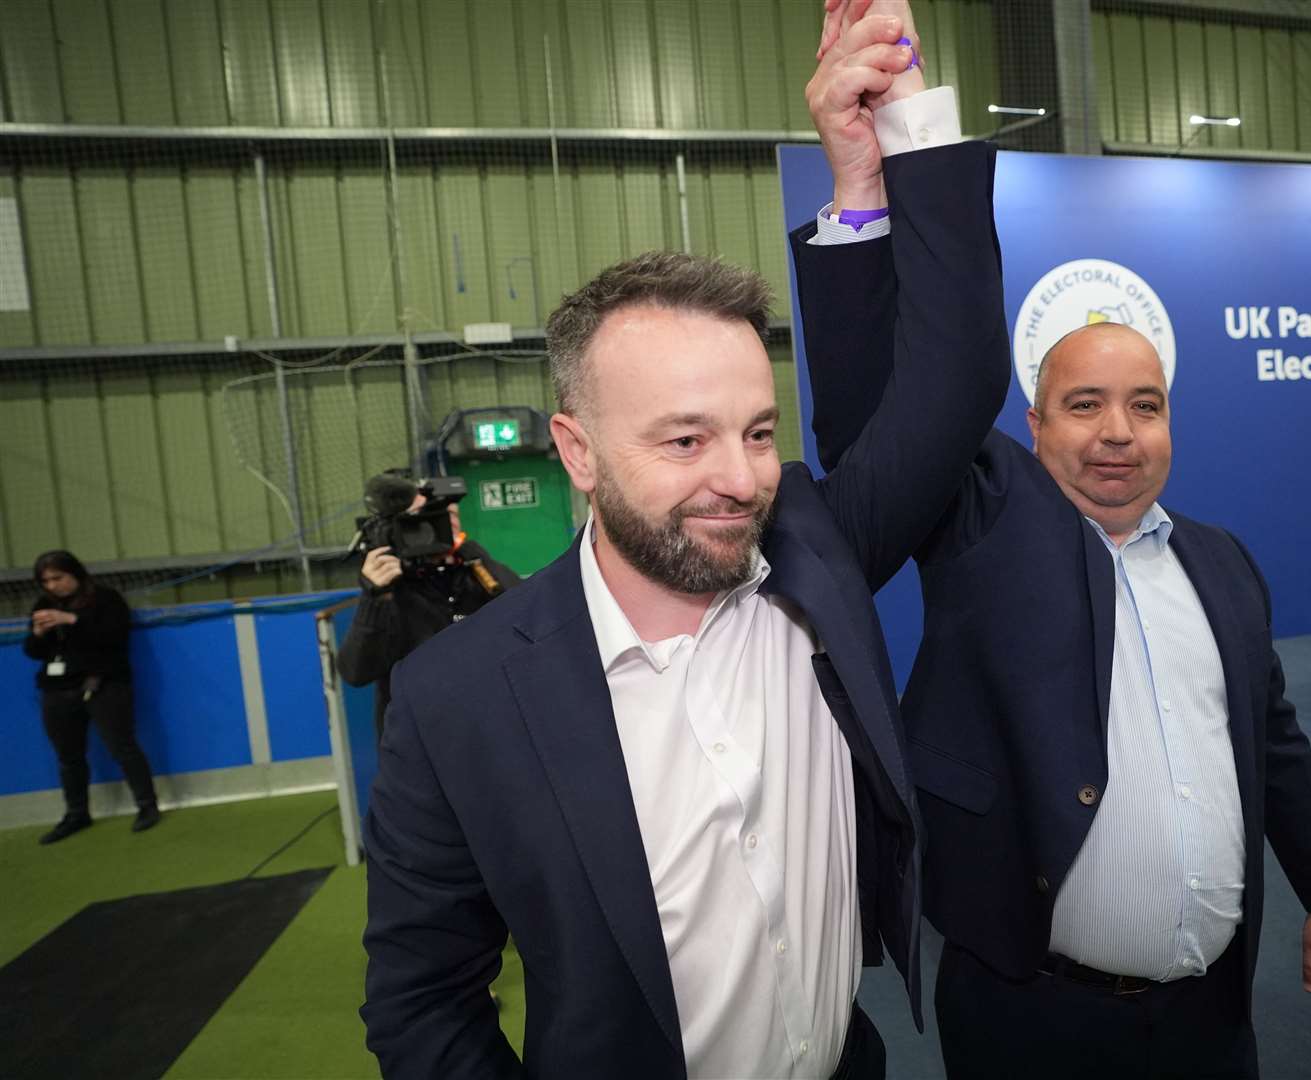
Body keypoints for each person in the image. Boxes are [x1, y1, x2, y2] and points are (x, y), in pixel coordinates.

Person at [357, 13, 1007, 1078]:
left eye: (758, 432)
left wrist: (871, 166)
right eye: (683, 440)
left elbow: (956, 377)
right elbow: (424, 1005)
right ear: (576, 450)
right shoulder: (457, 699)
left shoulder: (814, 559)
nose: (742, 479)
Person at [799, 21, 1311, 1077]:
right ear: (1034, 426)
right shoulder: (984, 524)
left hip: (1214, 1022)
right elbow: (885, 420)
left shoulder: (1222, 563)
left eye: (1144, 406)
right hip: (1034, 1021)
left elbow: (1273, 742)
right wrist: (873, 182)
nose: (1117, 432)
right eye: (1085, 406)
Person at [336, 482, 520, 737]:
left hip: (488, 732)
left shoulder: (478, 572)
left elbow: (528, 625)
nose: (444, 524)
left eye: (452, 515)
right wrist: (374, 598)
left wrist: (480, 562)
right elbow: (355, 672)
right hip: (419, 743)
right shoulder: (390, 591)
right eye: (426, 516)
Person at [23, 550, 160, 844]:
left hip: (104, 684)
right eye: (45, 581)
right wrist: (37, 633)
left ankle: (147, 806)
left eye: (58, 578)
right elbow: (33, 652)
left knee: (122, 746)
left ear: (75, 573)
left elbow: (113, 636)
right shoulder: (43, 605)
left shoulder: (106, 599)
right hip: (57, 690)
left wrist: (72, 620)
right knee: (68, 756)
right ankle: (76, 813)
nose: (51, 586)